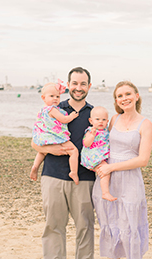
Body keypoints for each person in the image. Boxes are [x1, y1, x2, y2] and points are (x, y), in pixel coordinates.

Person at [31, 67, 95, 259]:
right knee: (53, 227)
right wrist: (52, 150)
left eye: (83, 83)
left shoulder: (94, 114)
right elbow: (35, 142)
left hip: (84, 179)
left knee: (85, 228)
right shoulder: (54, 108)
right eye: (74, 83)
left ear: (89, 86)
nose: (78, 87)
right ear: (67, 86)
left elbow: (102, 145)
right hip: (52, 175)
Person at [92, 81, 152, 259]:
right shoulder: (113, 119)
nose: (124, 98)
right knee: (110, 224)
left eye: (127, 94)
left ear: (136, 96)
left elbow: (143, 160)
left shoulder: (145, 124)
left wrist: (112, 166)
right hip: (108, 179)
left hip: (130, 179)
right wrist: (96, 162)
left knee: (129, 225)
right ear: (116, 100)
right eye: (119, 96)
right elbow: (101, 144)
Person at [30, 81, 80, 185]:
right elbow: (64, 119)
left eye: (57, 96)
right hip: (56, 137)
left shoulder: (42, 110)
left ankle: (35, 166)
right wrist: (72, 116)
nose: (55, 99)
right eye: (52, 96)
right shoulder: (52, 109)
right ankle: (74, 172)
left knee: (42, 152)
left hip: (44, 137)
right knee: (74, 151)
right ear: (43, 98)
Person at [81, 106, 116, 202]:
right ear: (91, 121)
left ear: (107, 121)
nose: (101, 122)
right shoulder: (91, 131)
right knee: (105, 172)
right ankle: (105, 193)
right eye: (97, 119)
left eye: (104, 120)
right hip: (92, 157)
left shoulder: (106, 131)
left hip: (99, 157)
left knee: (104, 171)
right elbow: (86, 144)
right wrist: (92, 136)